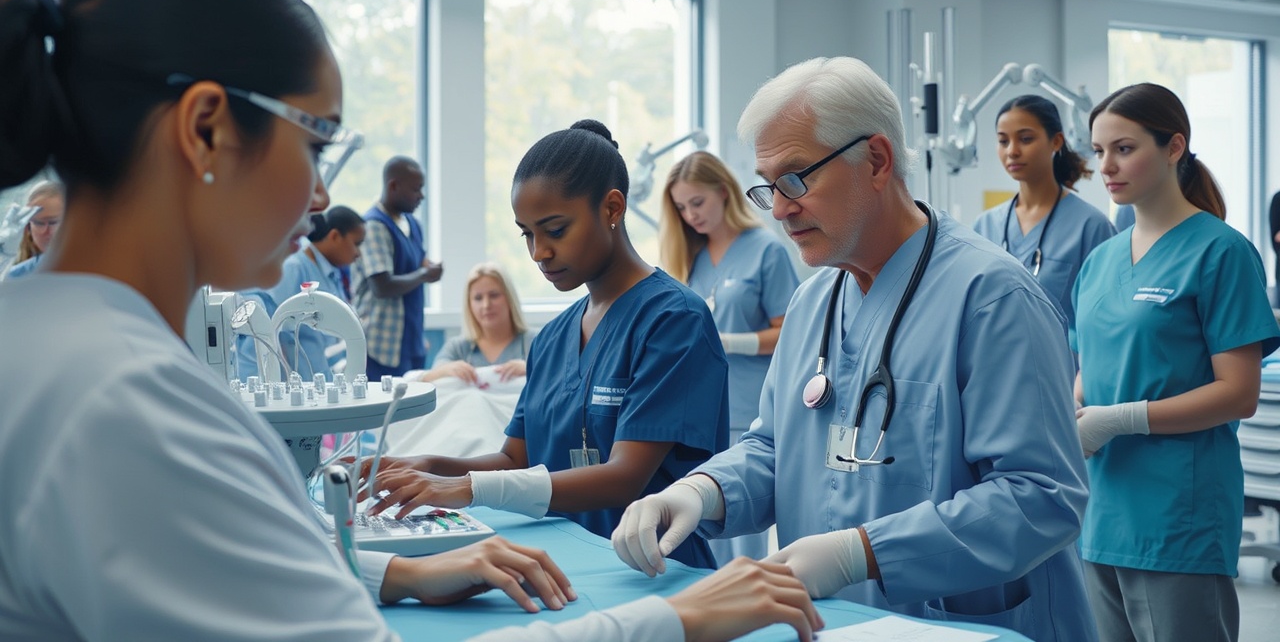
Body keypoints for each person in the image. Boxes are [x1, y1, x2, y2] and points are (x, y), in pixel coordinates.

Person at [0, 0, 824, 642]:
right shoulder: (127, 404)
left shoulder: (45, 345)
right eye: (317, 144)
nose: (323, 197)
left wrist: (394, 573)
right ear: (208, 127)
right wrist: (676, 620)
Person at [611, 57, 1097, 642]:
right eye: (769, 187)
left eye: (797, 179)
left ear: (876, 160)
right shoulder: (816, 301)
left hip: (964, 625)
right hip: (833, 624)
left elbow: (1041, 498)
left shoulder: (991, 299)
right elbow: (775, 447)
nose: (782, 209)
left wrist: (863, 553)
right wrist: (701, 491)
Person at [363, 120, 731, 571]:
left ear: (612, 208)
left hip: (654, 569)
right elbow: (514, 458)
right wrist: (430, 465)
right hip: (563, 565)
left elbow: (624, 477)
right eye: (527, 234)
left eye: (555, 230)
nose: (538, 252)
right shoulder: (553, 338)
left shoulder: (674, 319)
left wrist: (470, 488)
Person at [1072, 82, 1280, 642]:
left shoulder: (1221, 253)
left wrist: (1120, 419)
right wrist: (1078, 404)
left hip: (1175, 515)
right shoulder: (1100, 261)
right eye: (1098, 151)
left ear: (1174, 147)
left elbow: (1238, 392)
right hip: (1099, 509)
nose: (1107, 165)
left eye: (1124, 148)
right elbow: (1090, 363)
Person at [659, 150, 798, 562]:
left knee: (741, 526)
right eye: (682, 208)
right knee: (699, 520)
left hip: (749, 407)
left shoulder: (765, 251)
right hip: (701, 409)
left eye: (697, 203)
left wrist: (732, 342)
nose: (691, 216)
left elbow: (791, 331)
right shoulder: (690, 258)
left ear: (723, 192)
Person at [972, 94, 1114, 330]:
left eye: (1025, 139)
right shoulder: (984, 226)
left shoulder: (1091, 226)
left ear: (1056, 141)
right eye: (1003, 141)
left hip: (1066, 366)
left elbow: (1107, 317)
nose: (1012, 151)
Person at [235, 205, 366, 382]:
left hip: (319, 374)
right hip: (297, 381)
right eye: (356, 244)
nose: (358, 253)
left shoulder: (331, 272)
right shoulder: (294, 268)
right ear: (335, 236)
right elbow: (276, 329)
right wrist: (285, 384)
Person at [352, 155, 443, 379]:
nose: (421, 196)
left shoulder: (412, 224)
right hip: (380, 346)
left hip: (410, 341)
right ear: (393, 186)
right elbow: (382, 286)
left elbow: (417, 263)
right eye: (416, 189)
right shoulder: (374, 226)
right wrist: (424, 274)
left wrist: (428, 269)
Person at [411, 261, 534, 386]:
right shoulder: (457, 348)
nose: (486, 305)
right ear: (469, 305)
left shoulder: (536, 342)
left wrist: (532, 369)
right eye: (478, 298)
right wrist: (445, 371)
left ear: (509, 298)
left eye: (494, 295)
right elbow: (425, 380)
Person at [2, 179, 63, 279]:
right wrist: (5, 255)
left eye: (53, 222)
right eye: (38, 223)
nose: (47, 231)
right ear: (29, 227)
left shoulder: (94, 269)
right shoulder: (15, 277)